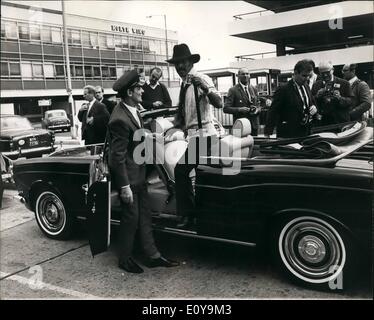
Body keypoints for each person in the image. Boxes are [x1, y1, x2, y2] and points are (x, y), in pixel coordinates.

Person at [108, 69, 179, 273]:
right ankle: (125, 258)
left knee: (145, 216)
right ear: (130, 92)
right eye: (139, 88)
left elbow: (139, 139)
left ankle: (152, 256)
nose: (142, 91)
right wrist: (124, 187)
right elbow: (117, 157)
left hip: (139, 175)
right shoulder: (119, 119)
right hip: (130, 179)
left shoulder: (133, 110)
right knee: (131, 220)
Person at [167, 43, 223, 228]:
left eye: (182, 62)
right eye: (177, 64)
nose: (180, 67)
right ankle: (201, 216)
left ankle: (189, 215)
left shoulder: (201, 79)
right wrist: (171, 129)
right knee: (204, 176)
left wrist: (206, 89)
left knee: (181, 171)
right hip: (195, 136)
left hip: (205, 136)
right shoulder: (185, 83)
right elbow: (184, 114)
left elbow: (219, 103)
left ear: (190, 61)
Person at [264, 60, 319, 138]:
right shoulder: (284, 89)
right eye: (304, 76)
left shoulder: (306, 86)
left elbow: (311, 102)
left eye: (308, 76)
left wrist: (314, 107)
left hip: (306, 131)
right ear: (295, 73)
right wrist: (268, 132)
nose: (307, 78)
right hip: (289, 133)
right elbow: (273, 110)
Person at [312, 61, 353, 125]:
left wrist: (340, 98)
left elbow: (352, 101)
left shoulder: (344, 83)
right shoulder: (316, 85)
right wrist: (317, 96)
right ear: (319, 73)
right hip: (323, 123)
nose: (325, 75)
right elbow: (311, 102)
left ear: (332, 70)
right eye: (322, 73)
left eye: (327, 72)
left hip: (341, 122)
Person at [223, 68, 261, 136]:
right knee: (239, 145)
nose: (245, 76)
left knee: (254, 145)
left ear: (249, 76)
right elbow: (226, 108)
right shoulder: (233, 90)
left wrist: (257, 109)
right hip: (240, 126)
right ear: (238, 76)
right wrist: (239, 109)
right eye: (243, 74)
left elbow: (258, 104)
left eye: (247, 74)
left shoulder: (254, 89)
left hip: (253, 125)